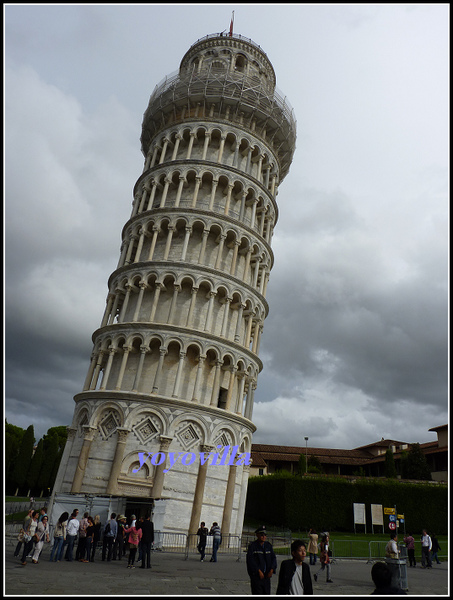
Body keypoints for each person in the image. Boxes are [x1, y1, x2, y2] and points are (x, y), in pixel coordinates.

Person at [246, 525, 277, 595]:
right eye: (262, 535)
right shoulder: (253, 546)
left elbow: (273, 558)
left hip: (266, 576)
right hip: (257, 576)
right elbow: (251, 561)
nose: (264, 537)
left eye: (265, 535)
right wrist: (258, 571)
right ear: (257, 535)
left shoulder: (268, 546)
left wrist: (272, 569)